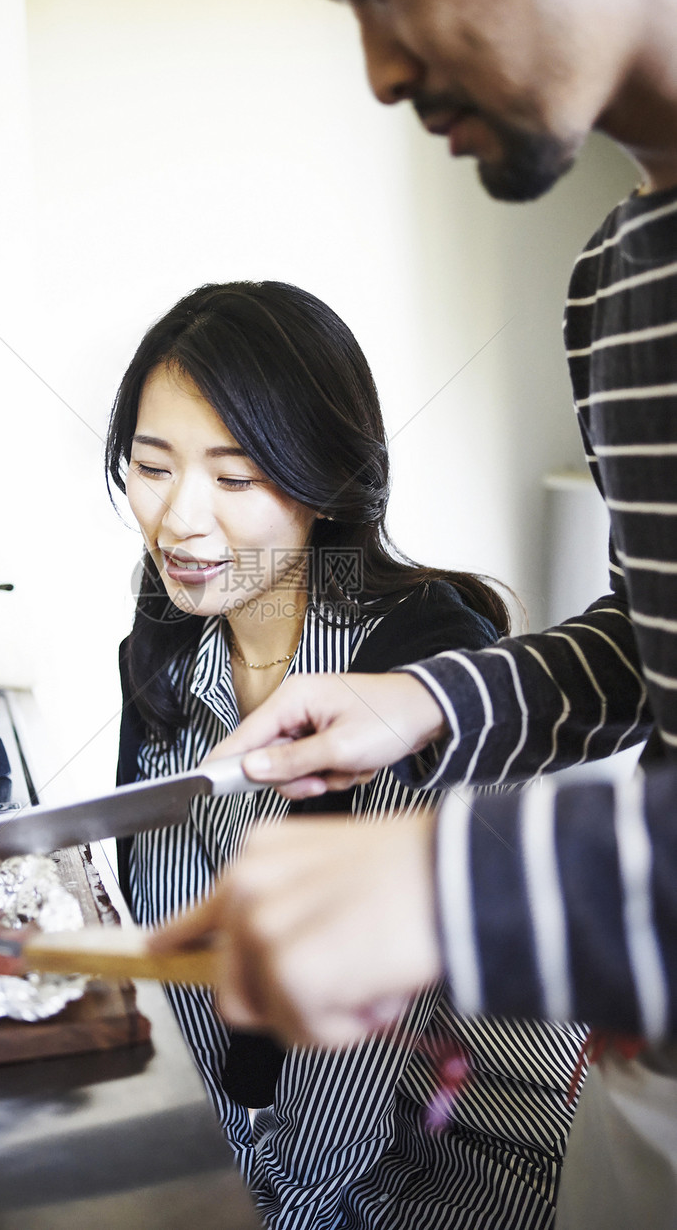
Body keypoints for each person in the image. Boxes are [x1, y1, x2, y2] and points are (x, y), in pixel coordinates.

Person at [145, 0, 677, 1225]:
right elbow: (649, 642)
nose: (377, 67)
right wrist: (434, 700)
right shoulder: (617, 275)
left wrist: (457, 882)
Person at [107, 279, 585, 1229]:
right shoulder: (171, 633)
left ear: (325, 481)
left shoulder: (412, 682)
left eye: (236, 479)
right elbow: (194, 966)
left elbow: (349, 1082)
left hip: (448, 1181)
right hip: (260, 1159)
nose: (180, 521)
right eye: (152, 467)